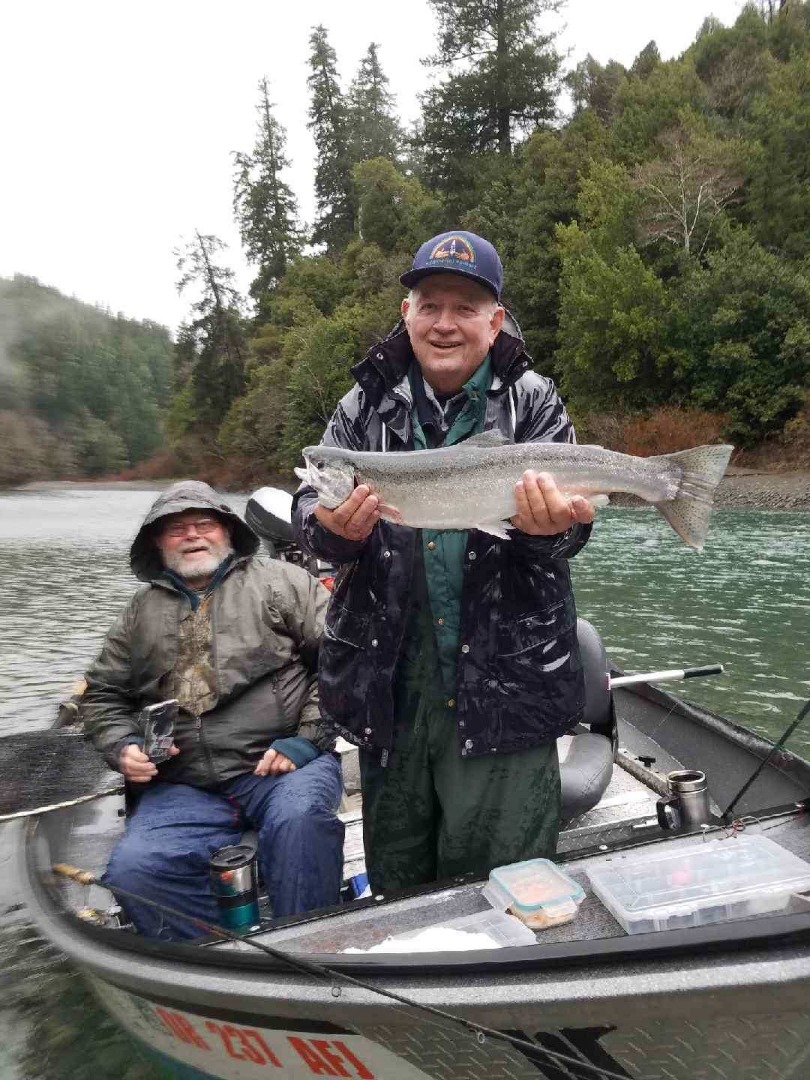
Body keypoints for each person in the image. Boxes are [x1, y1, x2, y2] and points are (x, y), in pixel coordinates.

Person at [293, 230, 595, 895]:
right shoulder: (361, 405)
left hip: (507, 689)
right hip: (391, 695)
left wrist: (547, 533)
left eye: (465, 307)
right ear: (407, 313)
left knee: (511, 892)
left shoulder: (533, 401)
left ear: (495, 319)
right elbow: (310, 517)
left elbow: (570, 539)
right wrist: (328, 529)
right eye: (431, 304)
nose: (445, 323)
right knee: (401, 890)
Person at [83, 481, 344, 940]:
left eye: (204, 524)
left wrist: (307, 739)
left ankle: (308, 949)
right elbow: (103, 694)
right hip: (184, 784)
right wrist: (121, 746)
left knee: (300, 823)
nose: (192, 535)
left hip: (281, 768)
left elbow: (343, 664)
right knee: (134, 870)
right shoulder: (138, 613)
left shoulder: (280, 583)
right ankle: (226, 958)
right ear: (155, 542)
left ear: (227, 532)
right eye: (176, 529)